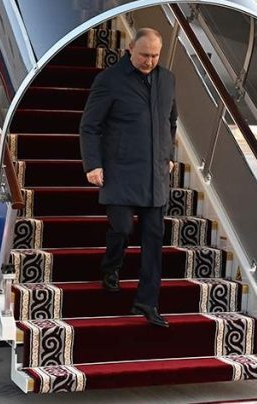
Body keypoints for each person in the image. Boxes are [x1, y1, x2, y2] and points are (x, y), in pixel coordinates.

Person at [79, 28, 177, 328]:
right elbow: (90, 125)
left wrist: (169, 155)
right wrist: (93, 165)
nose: (150, 61)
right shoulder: (109, 80)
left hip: (155, 175)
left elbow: (171, 121)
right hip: (120, 171)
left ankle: (147, 303)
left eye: (155, 56)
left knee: (153, 239)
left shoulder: (167, 79)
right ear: (130, 48)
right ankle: (111, 266)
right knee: (122, 228)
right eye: (144, 55)